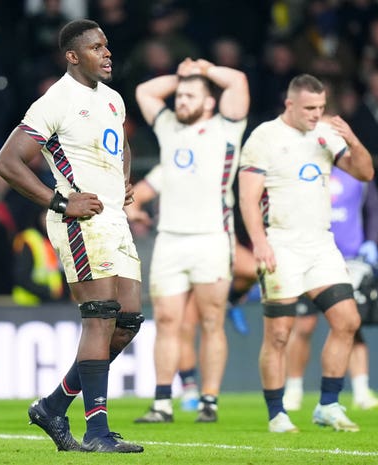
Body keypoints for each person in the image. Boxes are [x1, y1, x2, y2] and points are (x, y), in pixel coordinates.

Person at [0, 19, 144, 453]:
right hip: (81, 221)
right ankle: (96, 432)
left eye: (107, 46)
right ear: (73, 56)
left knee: (128, 320)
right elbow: (8, 161)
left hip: (113, 216)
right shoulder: (55, 100)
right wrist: (61, 202)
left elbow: (121, 147)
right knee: (100, 315)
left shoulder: (113, 100)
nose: (107, 53)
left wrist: (124, 180)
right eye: (97, 47)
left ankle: (54, 406)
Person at [238, 73, 374, 433]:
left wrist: (352, 139)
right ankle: (277, 414)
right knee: (279, 334)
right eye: (310, 108)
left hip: (321, 244)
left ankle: (328, 405)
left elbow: (365, 172)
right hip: (281, 242)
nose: (317, 114)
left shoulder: (327, 134)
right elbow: (248, 198)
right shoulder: (264, 138)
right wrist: (259, 242)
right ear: (290, 105)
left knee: (347, 321)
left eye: (321, 107)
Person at [130, 56, 249, 423]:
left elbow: (239, 82)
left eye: (190, 96)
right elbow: (145, 91)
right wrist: (183, 77)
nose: (181, 101)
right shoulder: (168, 128)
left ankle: (209, 401)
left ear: (209, 102)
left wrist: (203, 72)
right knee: (166, 320)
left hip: (212, 238)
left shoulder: (227, 128)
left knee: (212, 320)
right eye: (179, 96)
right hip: (170, 239)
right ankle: (163, 402)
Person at [283, 166, 378, 412]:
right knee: (304, 325)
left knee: (351, 323)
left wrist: (372, 240)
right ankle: (293, 390)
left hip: (350, 259)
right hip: (311, 256)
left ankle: (361, 390)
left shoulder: (355, 171)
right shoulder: (305, 167)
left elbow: (374, 210)